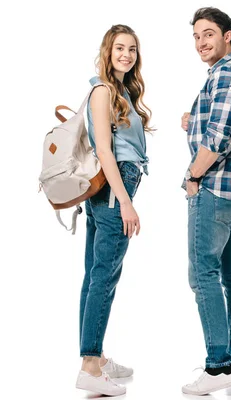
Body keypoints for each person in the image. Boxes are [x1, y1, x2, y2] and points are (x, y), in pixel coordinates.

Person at [180, 7, 231, 396]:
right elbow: (220, 124)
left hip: (214, 190)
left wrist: (192, 176)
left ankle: (217, 367)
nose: (201, 42)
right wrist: (192, 120)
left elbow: (217, 139)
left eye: (209, 34)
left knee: (203, 276)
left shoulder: (227, 74)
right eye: (196, 36)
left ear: (228, 35)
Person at [75, 24, 152, 396]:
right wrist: (125, 202)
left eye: (132, 49)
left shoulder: (120, 91)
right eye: (119, 48)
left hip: (110, 186)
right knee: (104, 276)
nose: (126, 54)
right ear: (107, 52)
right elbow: (105, 151)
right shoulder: (103, 91)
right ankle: (90, 366)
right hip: (113, 188)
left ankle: (96, 358)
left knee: (95, 275)